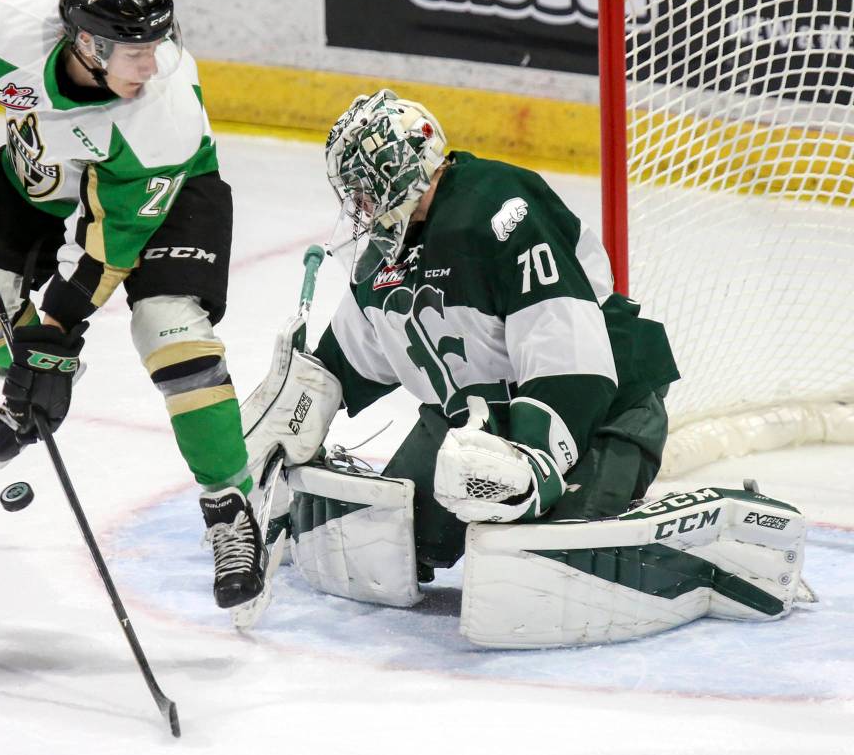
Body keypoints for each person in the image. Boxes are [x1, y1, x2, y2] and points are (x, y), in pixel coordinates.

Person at [0, 0, 267, 612]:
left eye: (158, 44)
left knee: (170, 327)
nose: (152, 64)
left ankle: (229, 506)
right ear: (87, 45)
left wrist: (57, 326)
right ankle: (19, 387)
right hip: (43, 169)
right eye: (135, 51)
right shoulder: (10, 26)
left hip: (166, 188)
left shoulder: (163, 111)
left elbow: (109, 247)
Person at [244, 88, 680, 583]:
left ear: (399, 170)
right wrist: (285, 420)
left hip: (603, 409)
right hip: (478, 426)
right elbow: (342, 364)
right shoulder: (387, 255)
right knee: (379, 544)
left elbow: (570, 355)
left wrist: (536, 459)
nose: (359, 205)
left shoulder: (498, 208)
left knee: (544, 564)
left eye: (363, 187)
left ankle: (677, 544)